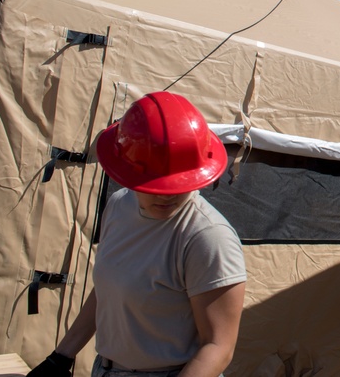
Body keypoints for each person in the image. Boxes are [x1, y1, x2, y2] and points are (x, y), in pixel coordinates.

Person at [27, 92, 247, 377]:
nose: (168, 196)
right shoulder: (119, 207)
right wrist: (61, 357)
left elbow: (218, 347)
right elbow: (109, 290)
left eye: (179, 184)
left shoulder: (207, 238)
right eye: (154, 185)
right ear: (126, 172)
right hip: (105, 368)